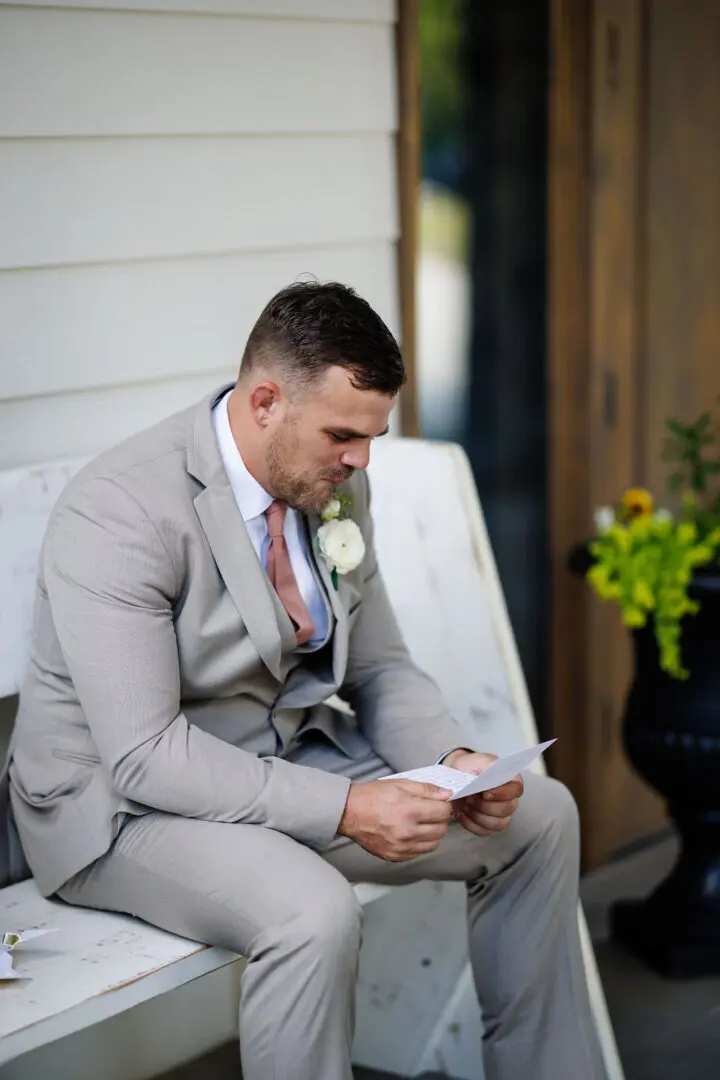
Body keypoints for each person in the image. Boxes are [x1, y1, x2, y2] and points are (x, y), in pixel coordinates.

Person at [4, 283, 604, 1079]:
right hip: (117, 807)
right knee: (309, 911)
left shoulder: (333, 484)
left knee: (540, 816)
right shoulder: (121, 511)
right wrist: (353, 807)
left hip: (279, 761)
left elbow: (382, 668)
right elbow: (145, 756)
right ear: (263, 403)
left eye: (372, 436)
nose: (360, 460)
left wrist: (454, 761)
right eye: (342, 435)